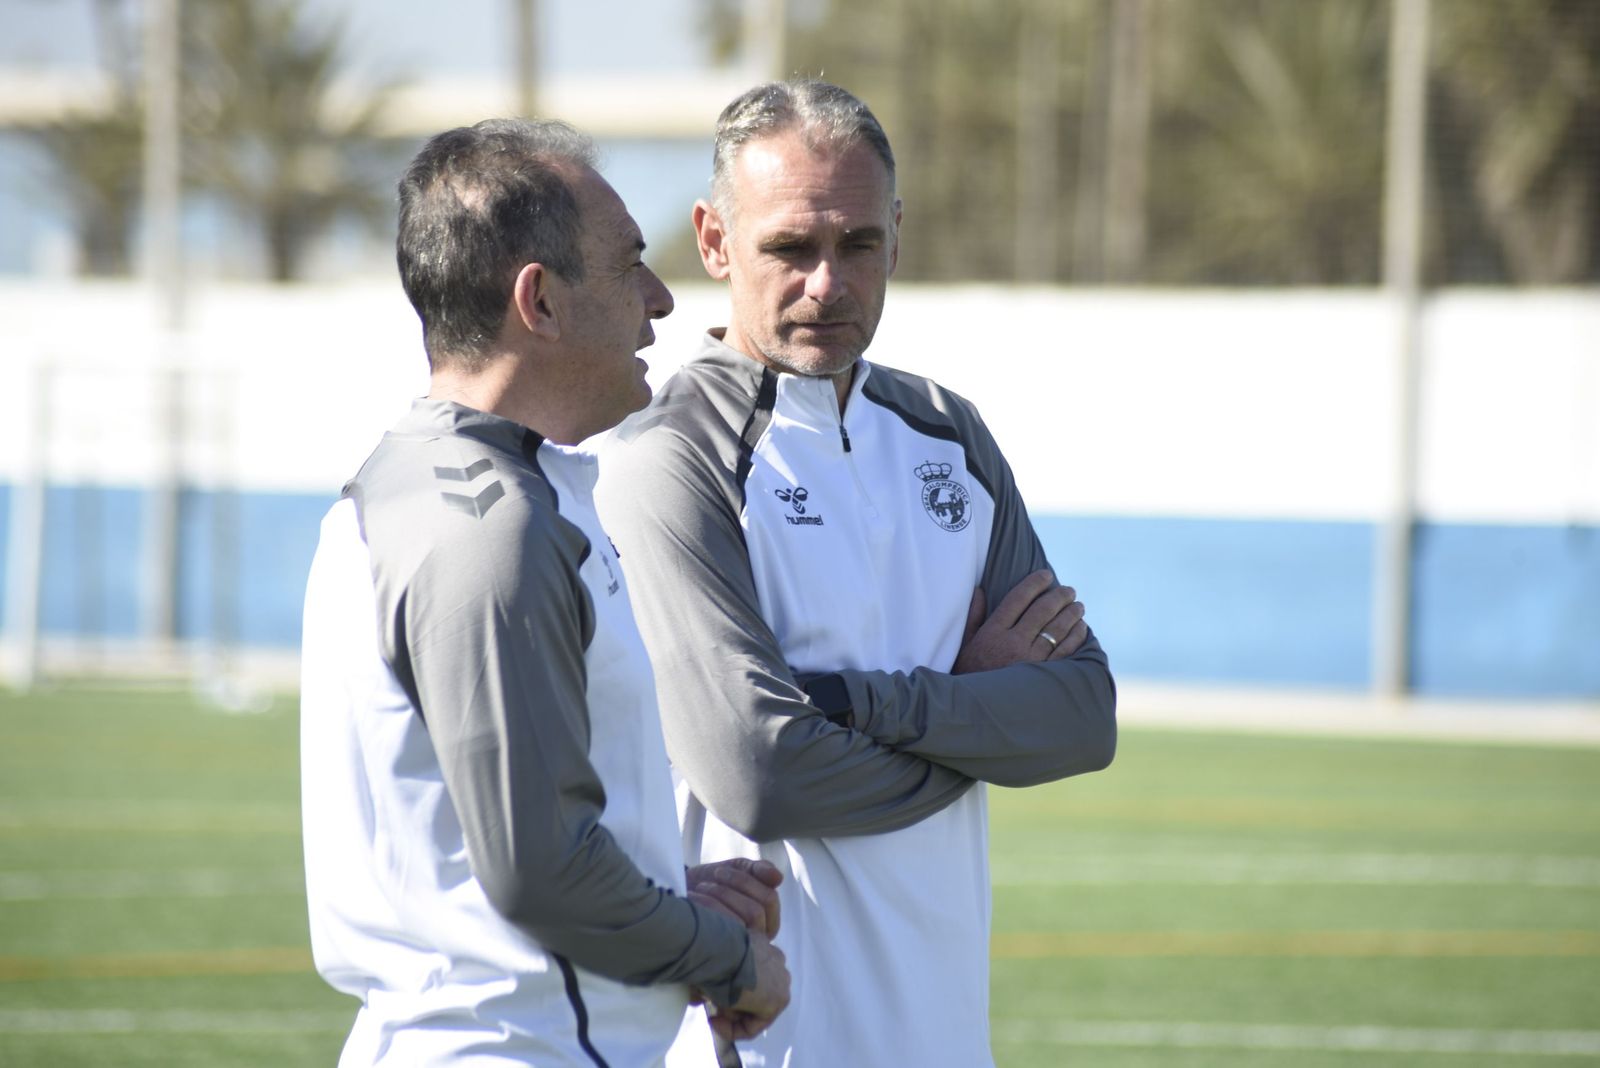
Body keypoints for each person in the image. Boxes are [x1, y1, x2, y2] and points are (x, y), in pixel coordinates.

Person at [595, 82, 1117, 1067]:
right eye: (790, 248)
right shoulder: (668, 454)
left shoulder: (946, 432)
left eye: (860, 244)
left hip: (944, 1033)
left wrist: (839, 701)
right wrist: (971, 718)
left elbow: (1082, 716)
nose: (827, 283)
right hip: (764, 1039)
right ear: (714, 241)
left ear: (897, 236)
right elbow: (757, 771)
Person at [299, 118, 789, 1067]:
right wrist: (729, 958)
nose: (658, 301)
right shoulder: (488, 528)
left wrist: (661, 890)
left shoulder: (445, 487)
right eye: (628, 264)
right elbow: (539, 871)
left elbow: (476, 851)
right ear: (542, 302)